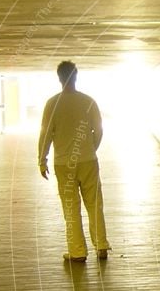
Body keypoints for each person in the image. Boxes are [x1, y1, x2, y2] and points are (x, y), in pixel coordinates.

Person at [38, 60, 110, 262]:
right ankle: (101, 245)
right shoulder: (88, 101)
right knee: (95, 203)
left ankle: (77, 251)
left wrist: (42, 159)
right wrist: (90, 148)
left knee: (71, 207)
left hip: (63, 164)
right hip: (88, 160)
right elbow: (99, 130)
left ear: (59, 78)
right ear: (76, 76)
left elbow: (46, 134)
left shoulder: (52, 104)